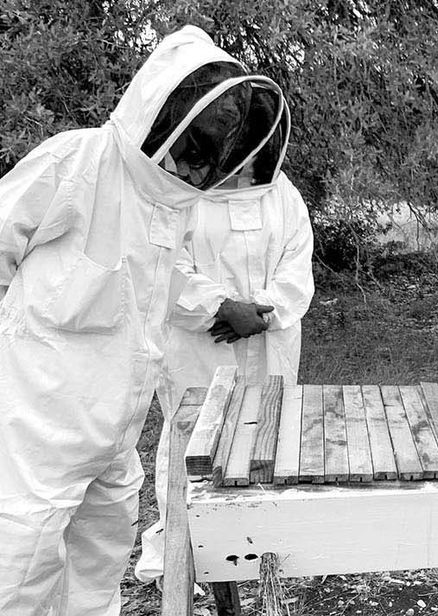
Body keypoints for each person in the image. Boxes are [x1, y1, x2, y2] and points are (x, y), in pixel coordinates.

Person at [0, 26, 276, 614]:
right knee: (16, 576)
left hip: (114, 435)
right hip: (34, 435)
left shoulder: (165, 201)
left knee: (97, 574)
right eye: (198, 142)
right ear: (159, 109)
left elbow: (164, 279)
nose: (199, 162)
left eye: (210, 149)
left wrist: (216, 306)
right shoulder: (74, 163)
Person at [133, 78, 315, 584]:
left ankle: (262, 537)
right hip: (200, 343)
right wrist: (220, 306)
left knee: (268, 428)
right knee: (195, 435)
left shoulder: (285, 197)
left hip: (271, 341)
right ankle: (183, 541)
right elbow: (166, 268)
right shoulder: (180, 195)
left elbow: (296, 271)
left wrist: (263, 314)